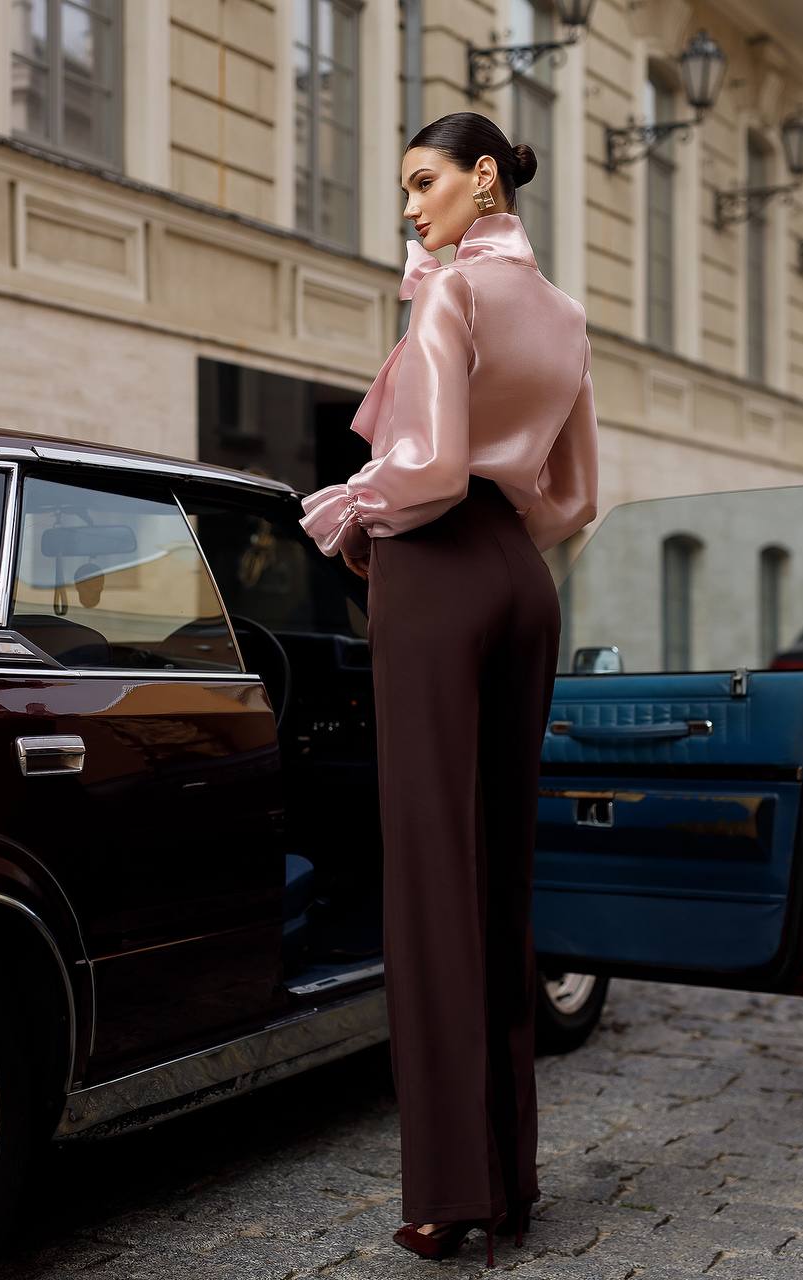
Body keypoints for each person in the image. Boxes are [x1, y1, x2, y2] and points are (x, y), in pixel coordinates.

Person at [298, 111, 599, 1268]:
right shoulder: (564, 314)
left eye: (424, 182)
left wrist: (347, 511)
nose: (410, 207)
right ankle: (510, 1179)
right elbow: (570, 499)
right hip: (522, 577)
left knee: (428, 887)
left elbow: (421, 469)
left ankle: (445, 1194)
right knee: (500, 880)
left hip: (433, 568)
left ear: (484, 178)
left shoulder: (448, 296)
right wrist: (492, 525)